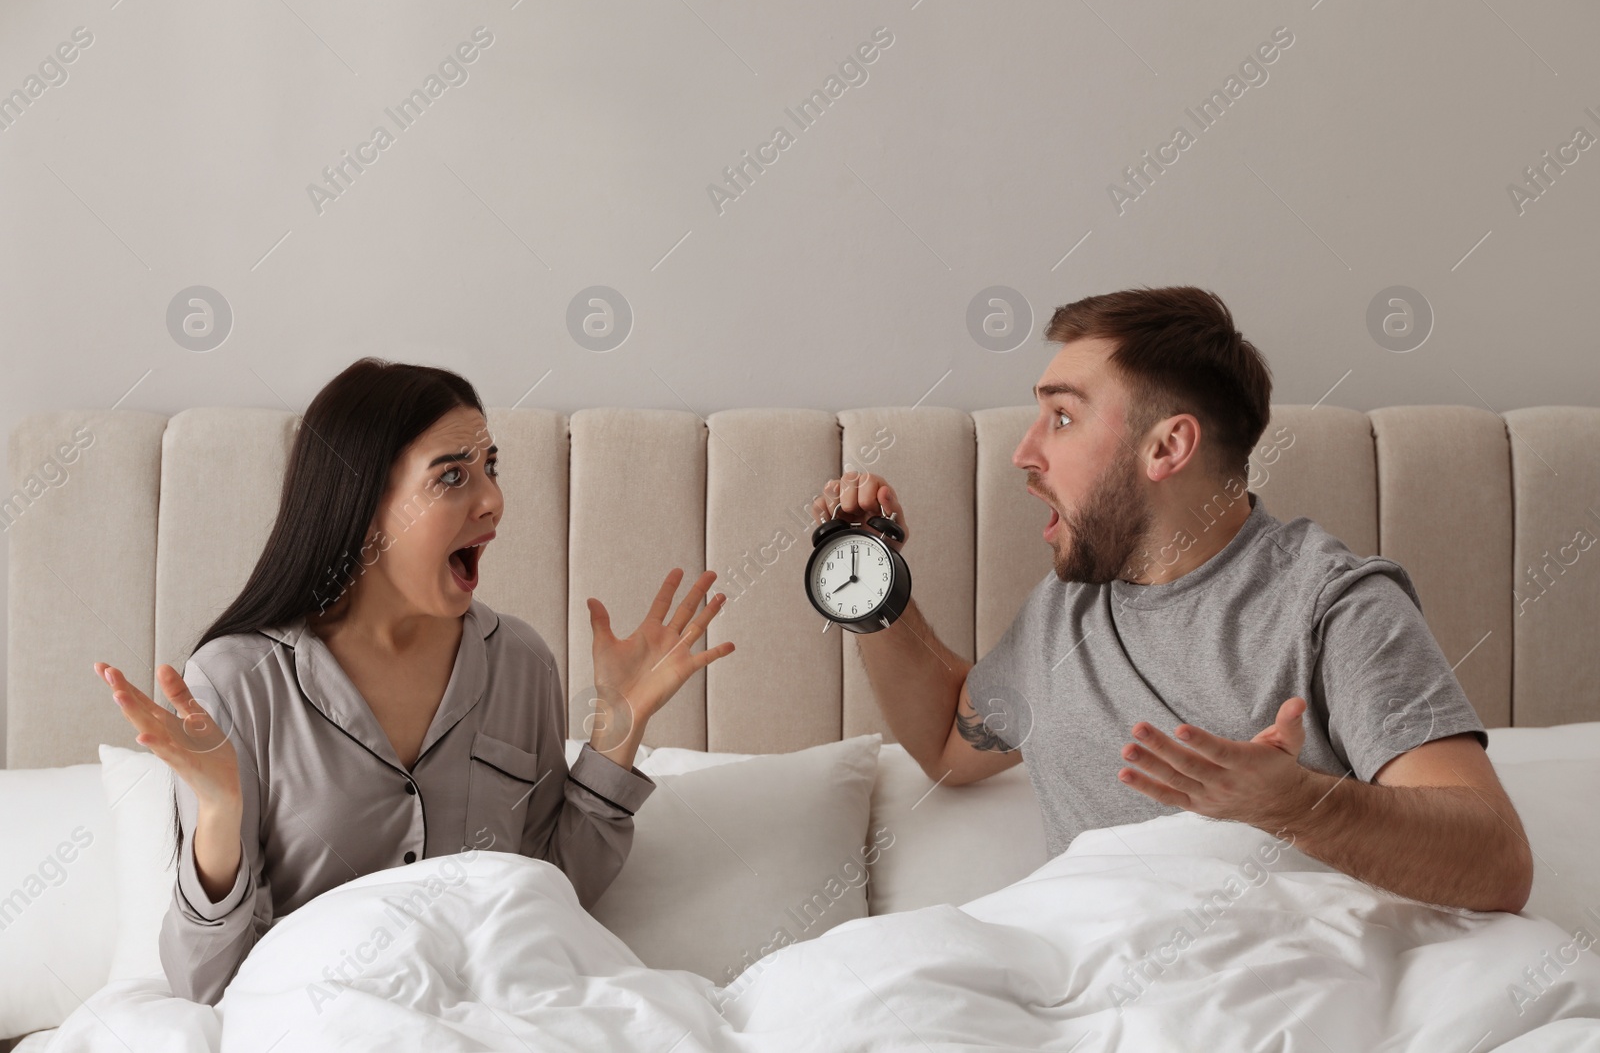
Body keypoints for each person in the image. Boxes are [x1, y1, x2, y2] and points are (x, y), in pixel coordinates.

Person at [813, 284, 1533, 914]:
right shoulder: (1063, 613)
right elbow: (947, 742)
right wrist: (871, 581)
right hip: (1093, 986)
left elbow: (1498, 861)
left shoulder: (1332, 607)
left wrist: (1293, 804)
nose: (1024, 452)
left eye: (1062, 418)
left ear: (1167, 447)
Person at [96, 357, 734, 1005]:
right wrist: (219, 813)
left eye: (491, 467)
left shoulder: (522, 662)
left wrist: (615, 732)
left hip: (510, 1016)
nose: (492, 499)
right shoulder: (237, 682)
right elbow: (206, 984)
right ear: (364, 503)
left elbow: (551, 888)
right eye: (452, 475)